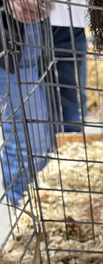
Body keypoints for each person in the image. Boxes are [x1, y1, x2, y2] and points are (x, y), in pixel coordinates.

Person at [0, 0, 52, 206]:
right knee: (29, 143)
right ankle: (25, 215)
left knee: (48, 134)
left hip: (45, 26)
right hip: (10, 31)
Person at [49, 0, 87, 133]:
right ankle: (70, 130)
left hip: (68, 18)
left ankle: (71, 132)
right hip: (64, 17)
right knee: (70, 84)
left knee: (70, 83)